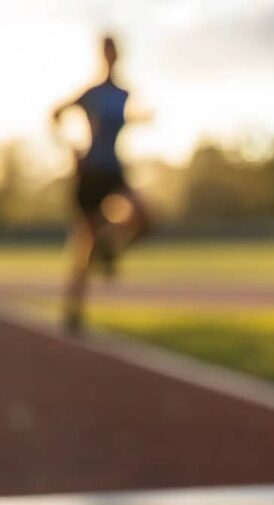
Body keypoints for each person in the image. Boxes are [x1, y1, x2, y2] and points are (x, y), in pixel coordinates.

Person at [51, 35, 151, 334]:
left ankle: (109, 248)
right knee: (85, 244)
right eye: (107, 51)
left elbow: (117, 124)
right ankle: (73, 312)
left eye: (115, 51)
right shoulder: (90, 93)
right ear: (101, 55)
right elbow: (55, 114)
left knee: (144, 217)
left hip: (115, 172)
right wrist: (72, 151)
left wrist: (139, 120)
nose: (111, 56)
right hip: (91, 173)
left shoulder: (123, 94)